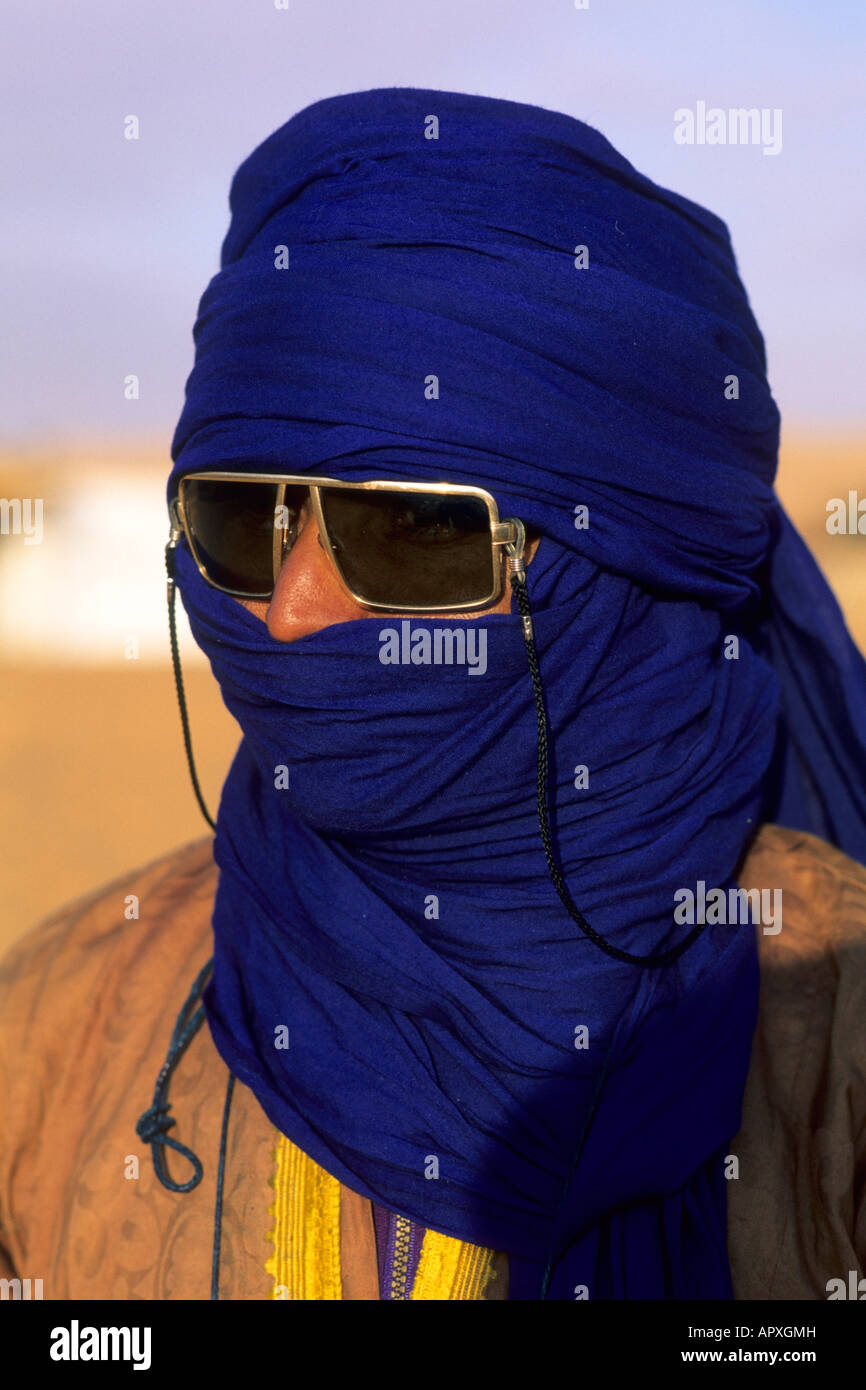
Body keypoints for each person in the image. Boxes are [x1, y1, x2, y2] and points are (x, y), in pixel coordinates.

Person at [1, 87, 865, 1302]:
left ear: (621, 567)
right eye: (241, 521)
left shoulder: (832, 1031)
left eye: (410, 530)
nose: (290, 611)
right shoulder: (58, 1036)